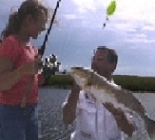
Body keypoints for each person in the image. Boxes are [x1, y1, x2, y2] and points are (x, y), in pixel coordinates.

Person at [62, 46, 150, 140]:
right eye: (93, 59)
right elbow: (67, 120)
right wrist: (75, 91)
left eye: (99, 59)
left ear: (113, 65)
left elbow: (130, 131)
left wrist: (118, 115)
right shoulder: (79, 92)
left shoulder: (123, 96)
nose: (94, 63)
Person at [0, 0, 48, 140]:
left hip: (32, 111)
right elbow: (2, 83)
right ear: (29, 20)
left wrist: (44, 76)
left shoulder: (33, 49)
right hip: (12, 113)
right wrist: (23, 70)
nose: (44, 28)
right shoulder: (11, 43)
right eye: (42, 23)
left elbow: (33, 81)